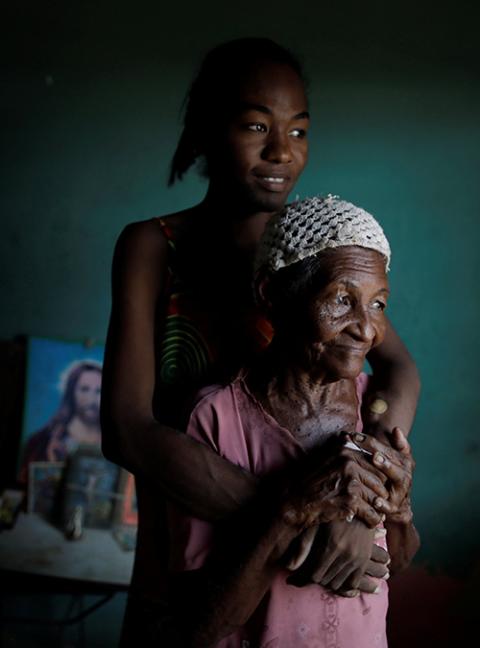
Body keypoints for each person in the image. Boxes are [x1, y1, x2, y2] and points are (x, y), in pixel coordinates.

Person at [100, 38, 420, 642]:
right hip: (190, 538)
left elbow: (397, 373)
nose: (282, 151)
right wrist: (299, 516)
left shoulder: (317, 253)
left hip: (308, 553)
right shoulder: (154, 247)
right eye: (256, 125)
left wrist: (361, 493)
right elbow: (127, 429)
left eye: (299, 131)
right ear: (205, 131)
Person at [166, 196, 419, 647]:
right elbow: (196, 626)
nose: (366, 329)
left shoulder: (373, 411)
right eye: (343, 299)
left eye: (378, 304)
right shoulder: (216, 418)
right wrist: (290, 512)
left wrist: (396, 512)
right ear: (271, 294)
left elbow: (393, 565)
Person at [21, 360, 102, 478]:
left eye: (99, 391)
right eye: (85, 389)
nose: (92, 398)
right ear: (71, 392)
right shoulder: (45, 440)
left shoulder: (116, 443)